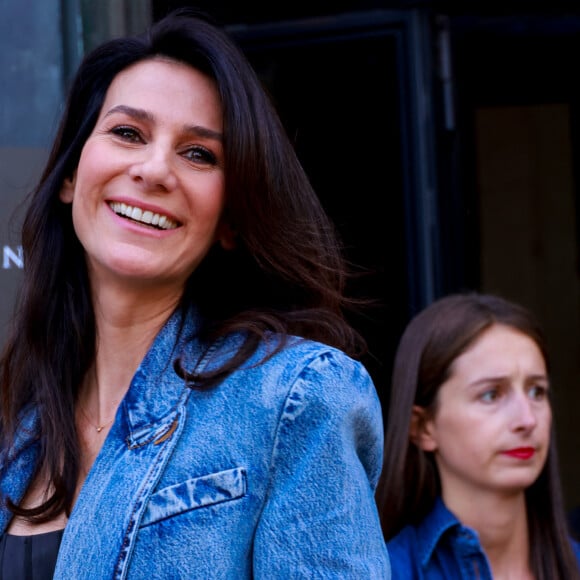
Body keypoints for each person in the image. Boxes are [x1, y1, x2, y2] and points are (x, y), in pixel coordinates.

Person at [0, 8, 390, 579]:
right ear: (68, 176)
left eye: (199, 154)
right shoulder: (19, 425)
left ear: (230, 220)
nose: (155, 170)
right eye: (128, 133)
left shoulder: (295, 401)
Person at [376, 292, 580, 579]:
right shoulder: (386, 573)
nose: (527, 419)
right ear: (423, 427)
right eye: (491, 394)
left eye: (537, 391)